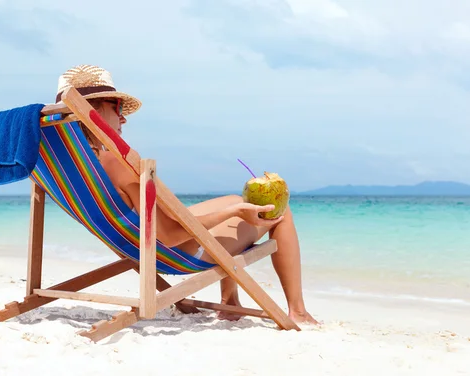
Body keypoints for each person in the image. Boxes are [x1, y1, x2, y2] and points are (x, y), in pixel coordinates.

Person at [56, 64, 318, 325]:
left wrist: (236, 208)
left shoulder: (69, 165)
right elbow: (170, 236)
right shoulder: (118, 161)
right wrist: (235, 213)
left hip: (137, 246)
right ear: (94, 111)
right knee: (277, 212)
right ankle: (298, 311)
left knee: (239, 201)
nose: (123, 118)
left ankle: (230, 303)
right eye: (117, 107)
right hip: (179, 252)